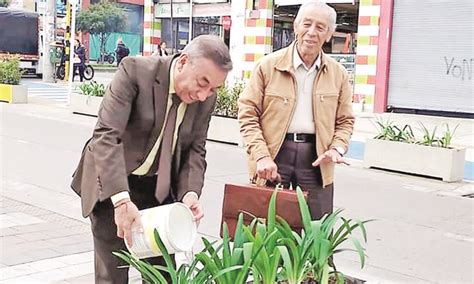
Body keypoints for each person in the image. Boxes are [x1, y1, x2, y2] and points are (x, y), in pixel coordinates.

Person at [70, 34, 232, 283]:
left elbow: (195, 150)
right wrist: (122, 203)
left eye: (213, 89)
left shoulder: (205, 100)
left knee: (162, 274)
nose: (204, 94)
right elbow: (106, 136)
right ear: (183, 62)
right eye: (202, 82)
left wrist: (190, 193)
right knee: (112, 274)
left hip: (158, 189)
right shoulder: (135, 71)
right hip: (113, 185)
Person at [237, 0, 354, 221]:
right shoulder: (267, 66)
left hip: (317, 159)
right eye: (306, 24)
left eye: (320, 27)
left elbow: (346, 120)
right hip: (274, 155)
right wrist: (261, 156)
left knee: (316, 230)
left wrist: (337, 149)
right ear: (295, 26)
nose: (311, 32)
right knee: (268, 229)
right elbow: (247, 113)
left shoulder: (338, 74)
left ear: (329, 34)